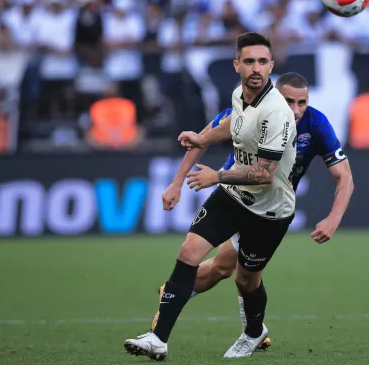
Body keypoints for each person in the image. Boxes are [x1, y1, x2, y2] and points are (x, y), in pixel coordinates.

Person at [124, 32, 298, 360]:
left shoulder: (277, 113)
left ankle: (254, 331)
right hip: (233, 195)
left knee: (246, 281)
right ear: (237, 65)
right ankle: (158, 339)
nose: (256, 68)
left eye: (263, 61)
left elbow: (264, 174)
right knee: (190, 250)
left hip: (269, 210)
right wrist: (201, 137)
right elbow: (233, 124)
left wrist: (214, 176)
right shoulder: (240, 95)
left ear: (272, 65)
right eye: (249, 61)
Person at [150, 71, 355, 350]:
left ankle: (178, 293)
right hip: (234, 193)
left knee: (225, 269)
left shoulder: (316, 124)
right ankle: (243, 326)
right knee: (205, 259)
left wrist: (334, 218)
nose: (295, 110)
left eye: (302, 103)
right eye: (288, 101)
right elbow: (201, 140)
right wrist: (176, 183)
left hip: (268, 206)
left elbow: (345, 176)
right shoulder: (248, 112)